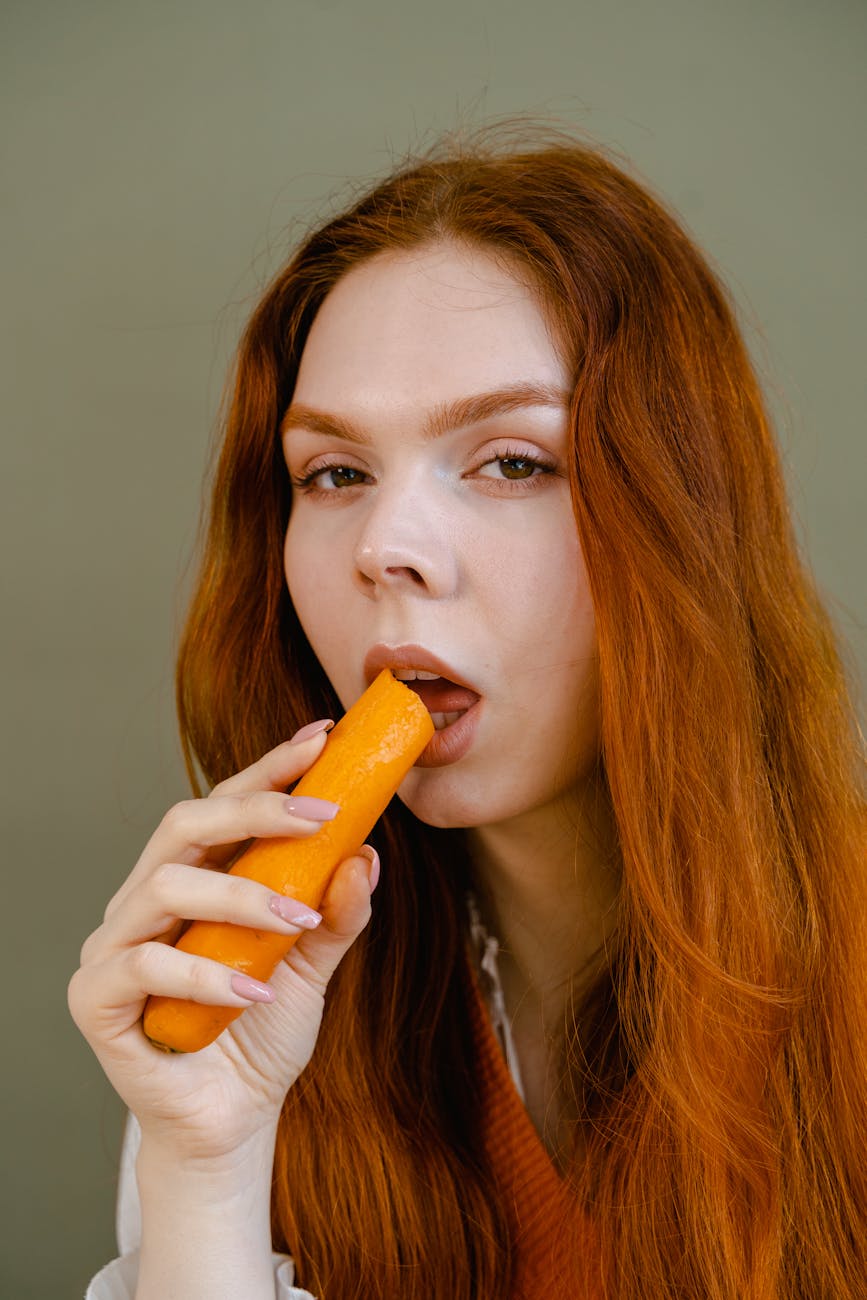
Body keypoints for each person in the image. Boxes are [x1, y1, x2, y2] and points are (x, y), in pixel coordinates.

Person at [69, 125, 866, 1299]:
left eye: (511, 463)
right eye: (334, 475)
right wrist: (204, 1160)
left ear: (683, 518)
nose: (388, 550)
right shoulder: (255, 1024)